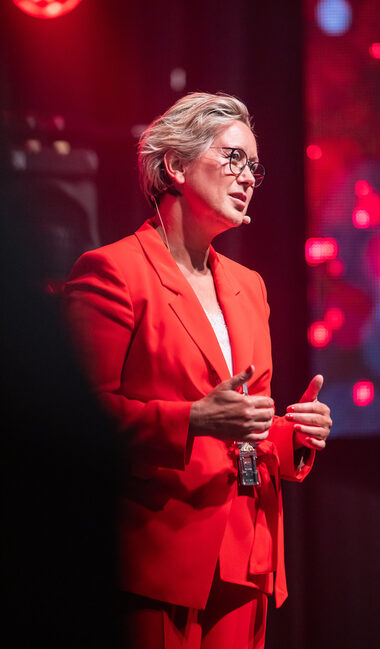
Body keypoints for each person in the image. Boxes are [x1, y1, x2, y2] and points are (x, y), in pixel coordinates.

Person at [64, 92, 332, 649]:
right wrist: (192, 420)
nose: (248, 177)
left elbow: (245, 424)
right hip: (161, 553)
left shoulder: (249, 284)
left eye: (254, 166)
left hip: (249, 552)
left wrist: (293, 433)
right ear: (176, 166)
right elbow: (75, 423)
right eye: (233, 157)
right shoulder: (114, 272)